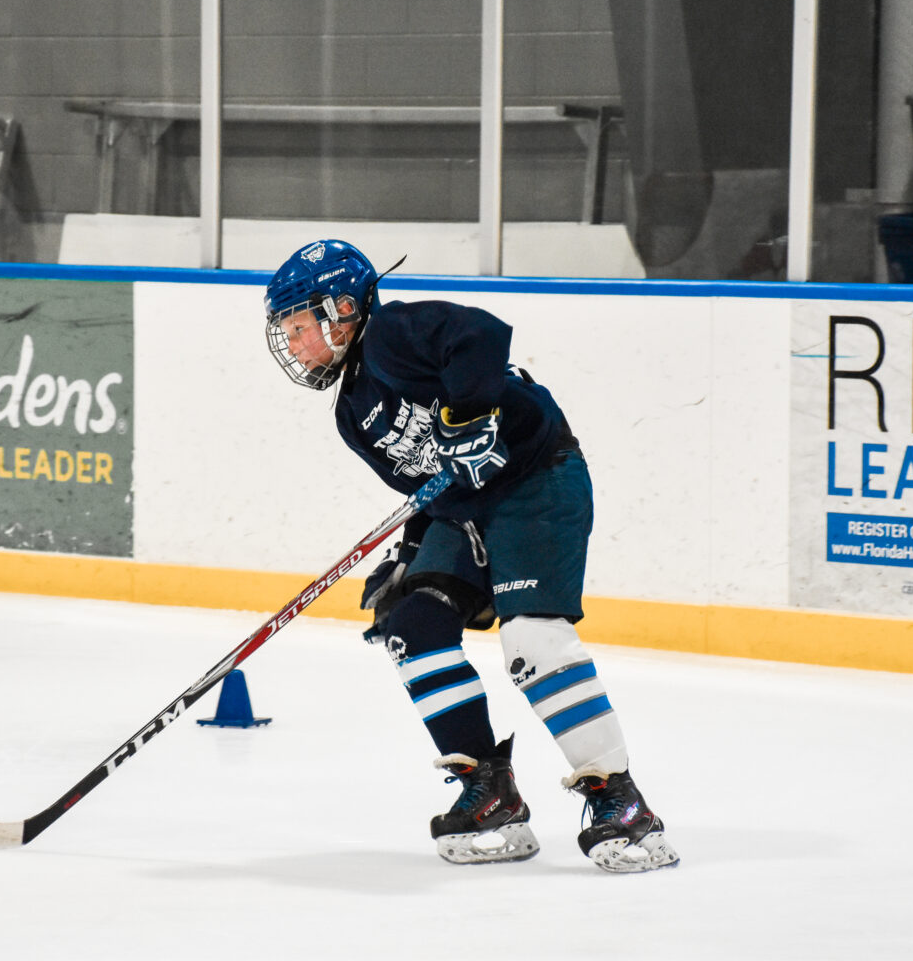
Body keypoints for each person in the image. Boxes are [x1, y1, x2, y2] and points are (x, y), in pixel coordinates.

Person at [262, 238, 679, 874]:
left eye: (298, 327)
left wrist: (467, 414)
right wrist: (411, 552)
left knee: (532, 643)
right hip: (468, 509)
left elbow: (481, 336)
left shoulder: (393, 333)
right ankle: (490, 793)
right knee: (412, 625)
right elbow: (429, 485)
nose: (293, 345)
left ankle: (620, 801)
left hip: (537, 479)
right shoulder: (352, 411)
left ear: (341, 309)